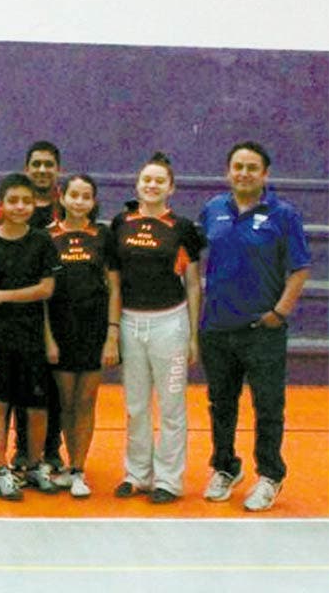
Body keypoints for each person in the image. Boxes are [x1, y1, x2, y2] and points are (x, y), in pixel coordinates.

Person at [198, 141, 310, 512]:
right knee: (221, 404)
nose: (244, 173)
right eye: (238, 167)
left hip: (263, 330)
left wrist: (279, 312)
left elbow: (300, 269)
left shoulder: (283, 214)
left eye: (251, 168)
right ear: (228, 171)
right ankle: (225, 467)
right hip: (217, 329)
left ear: (265, 174)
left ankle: (270, 475)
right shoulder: (213, 209)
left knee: (268, 406)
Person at [110, 152, 204, 504]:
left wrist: (192, 335)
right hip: (131, 323)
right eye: (146, 179)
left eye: (159, 181)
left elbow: (192, 284)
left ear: (171, 188)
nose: (152, 185)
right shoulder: (121, 223)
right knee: (135, 405)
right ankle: (137, 474)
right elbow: (113, 279)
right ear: (137, 185)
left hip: (170, 324)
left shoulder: (183, 228)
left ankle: (168, 480)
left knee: (171, 405)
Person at [0, 173, 60, 501]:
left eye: (26, 201)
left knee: (37, 407)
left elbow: (46, 290)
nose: (20, 206)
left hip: (32, 337)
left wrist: (3, 296)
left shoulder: (42, 242)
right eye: (13, 201)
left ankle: (35, 466)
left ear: (33, 205)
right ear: (2, 204)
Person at [43, 174, 120, 498]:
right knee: (65, 402)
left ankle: (78, 468)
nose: (79, 201)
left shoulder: (103, 236)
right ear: (62, 197)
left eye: (86, 196)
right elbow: (43, 293)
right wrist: (48, 337)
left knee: (85, 401)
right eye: (73, 195)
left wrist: (112, 334)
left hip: (93, 329)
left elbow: (114, 287)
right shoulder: (47, 236)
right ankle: (67, 464)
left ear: (93, 201)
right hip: (60, 329)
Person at [12, 139, 67, 472]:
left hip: (61, 309)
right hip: (22, 309)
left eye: (49, 164)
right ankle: (22, 448)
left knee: (54, 385)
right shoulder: (14, 208)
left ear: (58, 170)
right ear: (26, 169)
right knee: (23, 383)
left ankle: (52, 449)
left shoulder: (69, 208)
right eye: (37, 164)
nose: (42, 170)